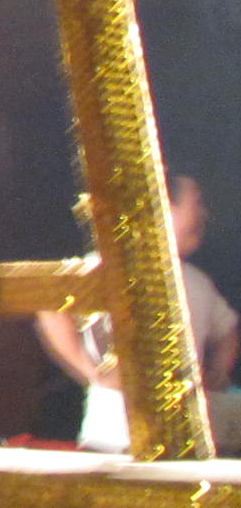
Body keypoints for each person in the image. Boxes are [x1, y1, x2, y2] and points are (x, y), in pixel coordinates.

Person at [39, 171, 241, 454]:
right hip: (114, 438)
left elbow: (228, 329)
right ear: (162, 207)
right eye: (196, 203)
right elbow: (52, 309)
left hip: (183, 440)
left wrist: (218, 372)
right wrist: (91, 372)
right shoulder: (108, 268)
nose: (204, 214)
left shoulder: (197, 282)